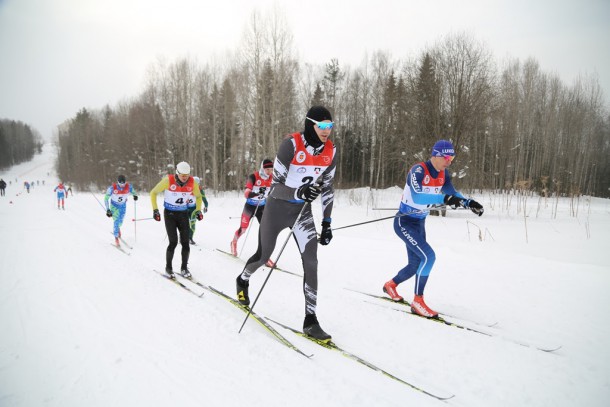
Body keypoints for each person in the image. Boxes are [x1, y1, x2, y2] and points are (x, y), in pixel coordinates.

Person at [235, 106, 337, 341]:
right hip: (277, 207)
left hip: (302, 212)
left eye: (330, 126)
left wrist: (327, 222)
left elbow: (328, 188)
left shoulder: (331, 150)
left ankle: (310, 319)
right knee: (263, 256)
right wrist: (300, 191)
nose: (326, 131)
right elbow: (276, 187)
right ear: (310, 124)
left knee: (311, 262)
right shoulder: (290, 145)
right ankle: (243, 279)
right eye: (322, 126)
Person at [382, 139, 484, 318]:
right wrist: (444, 199)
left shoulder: (444, 174)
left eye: (452, 157)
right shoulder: (418, 170)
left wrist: (469, 203)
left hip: (419, 222)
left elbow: (452, 194)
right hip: (404, 222)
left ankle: (390, 285)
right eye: (446, 157)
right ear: (436, 155)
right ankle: (417, 301)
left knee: (415, 264)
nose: (449, 161)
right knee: (429, 257)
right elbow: (418, 197)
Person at [150, 161, 203, 279]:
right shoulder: (168, 181)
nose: (185, 178)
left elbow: (199, 197)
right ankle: (168, 268)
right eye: (182, 175)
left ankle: (184, 268)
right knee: (173, 242)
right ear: (177, 173)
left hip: (183, 214)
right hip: (170, 214)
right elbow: (153, 193)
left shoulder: (192, 183)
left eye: (187, 175)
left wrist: (198, 210)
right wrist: (155, 210)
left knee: (185, 242)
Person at [230, 159, 273, 264]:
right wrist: (258, 192)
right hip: (250, 206)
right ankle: (234, 242)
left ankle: (264, 255)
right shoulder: (253, 177)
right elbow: (246, 194)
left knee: (265, 230)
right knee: (243, 229)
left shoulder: (272, 178)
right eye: (267, 169)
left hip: (261, 207)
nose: (269, 172)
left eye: (271, 169)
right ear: (262, 168)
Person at [104, 174, 138, 246]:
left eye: (123, 183)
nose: (122, 185)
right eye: (120, 183)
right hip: (114, 206)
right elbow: (106, 198)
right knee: (116, 220)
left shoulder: (129, 187)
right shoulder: (112, 188)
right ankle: (116, 237)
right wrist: (108, 210)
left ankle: (118, 228)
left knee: (120, 221)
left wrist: (135, 196)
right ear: (117, 182)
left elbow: (134, 192)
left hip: (123, 205)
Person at [187, 176, 209, 245]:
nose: (195, 186)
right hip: (185, 208)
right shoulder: (186, 188)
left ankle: (190, 238)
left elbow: (204, 200)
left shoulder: (200, 190)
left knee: (192, 225)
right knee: (184, 224)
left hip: (194, 209)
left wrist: (206, 206)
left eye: (197, 184)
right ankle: (183, 237)